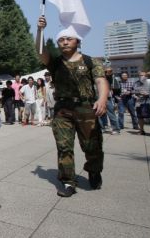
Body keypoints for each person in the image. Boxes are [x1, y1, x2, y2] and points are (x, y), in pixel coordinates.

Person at [36, 18, 108, 197]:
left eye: (69, 38)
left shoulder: (91, 62)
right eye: (61, 39)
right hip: (63, 109)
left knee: (92, 145)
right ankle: (68, 181)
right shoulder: (55, 62)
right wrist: (40, 30)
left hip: (86, 107)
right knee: (64, 146)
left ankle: (94, 170)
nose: (65, 42)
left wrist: (102, 99)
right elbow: (40, 51)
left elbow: (101, 81)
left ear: (77, 41)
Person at [133, 71, 150, 136]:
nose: (142, 77)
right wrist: (136, 95)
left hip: (149, 101)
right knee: (140, 117)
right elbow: (133, 91)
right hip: (139, 102)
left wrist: (148, 94)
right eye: (140, 75)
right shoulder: (136, 83)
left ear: (146, 76)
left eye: (143, 75)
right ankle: (141, 130)